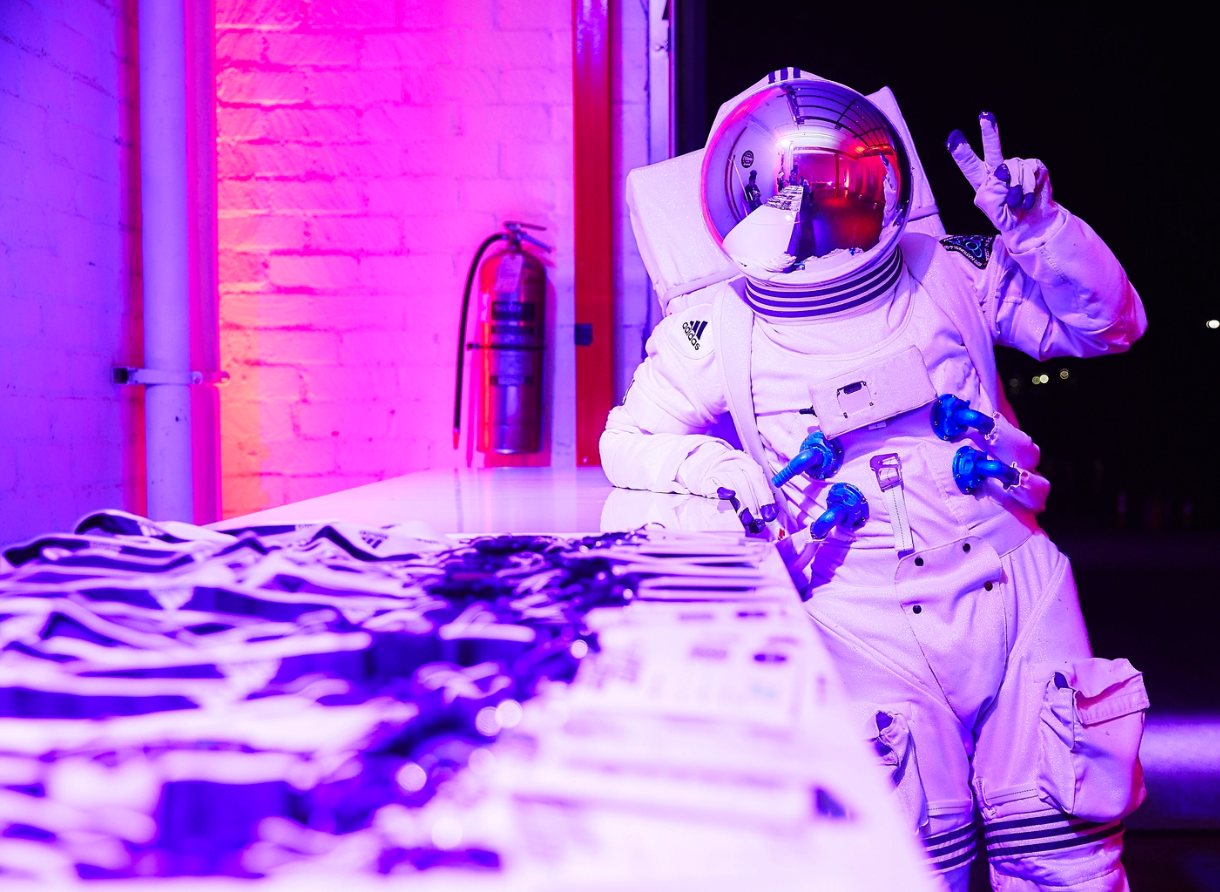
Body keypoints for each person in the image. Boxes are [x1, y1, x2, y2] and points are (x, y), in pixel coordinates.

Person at [602, 72, 1148, 892]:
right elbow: (631, 440)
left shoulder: (947, 267)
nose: (815, 213)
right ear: (738, 200)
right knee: (900, 869)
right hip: (856, 620)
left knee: (1066, 866)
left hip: (1013, 592)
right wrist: (721, 471)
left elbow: (1108, 327)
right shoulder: (714, 325)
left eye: (836, 183)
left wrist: (1040, 229)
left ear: (878, 179)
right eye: (793, 190)